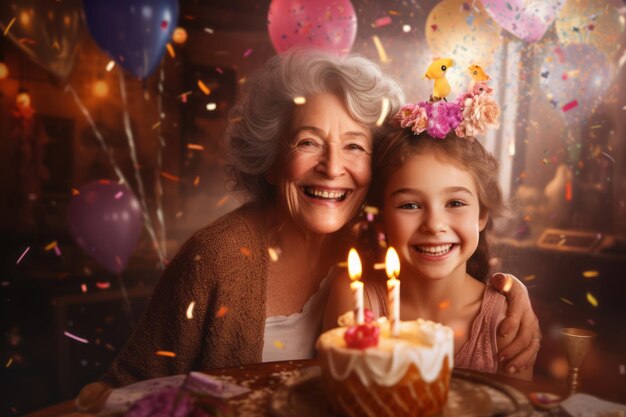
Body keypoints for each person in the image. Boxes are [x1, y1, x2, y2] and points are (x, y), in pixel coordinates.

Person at [78, 49, 539, 407]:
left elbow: (446, 267)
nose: (333, 166)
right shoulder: (215, 256)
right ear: (272, 159)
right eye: (308, 142)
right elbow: (127, 388)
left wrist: (509, 292)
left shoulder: (380, 237)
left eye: (355, 146)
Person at [324, 87, 536, 380]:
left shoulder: (504, 322)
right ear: (381, 219)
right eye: (410, 205)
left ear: (482, 215)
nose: (434, 224)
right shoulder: (357, 303)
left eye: (455, 203)